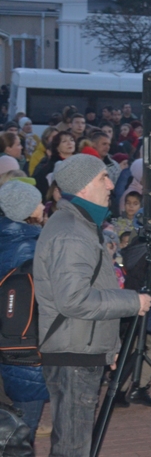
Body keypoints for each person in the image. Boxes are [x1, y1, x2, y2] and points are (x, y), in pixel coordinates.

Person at [33, 154, 149, 456]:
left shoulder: (80, 223)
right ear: (84, 187)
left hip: (81, 346)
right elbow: (74, 299)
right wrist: (132, 301)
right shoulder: (72, 231)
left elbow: (93, 287)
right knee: (73, 446)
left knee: (73, 440)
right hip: (74, 352)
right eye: (102, 178)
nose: (111, 184)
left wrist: (107, 348)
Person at [0, 181, 49, 442]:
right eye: (39, 202)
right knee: (22, 431)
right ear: (27, 209)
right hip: (25, 346)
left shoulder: (8, 240)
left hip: (10, 342)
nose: (43, 206)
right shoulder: (28, 248)